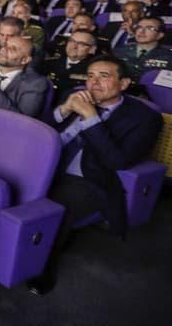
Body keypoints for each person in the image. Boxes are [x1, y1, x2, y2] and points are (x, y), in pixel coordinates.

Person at [26, 56, 162, 296]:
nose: (94, 83)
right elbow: (37, 131)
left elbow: (117, 160)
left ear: (124, 83)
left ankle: (43, 268)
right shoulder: (75, 95)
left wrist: (91, 117)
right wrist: (63, 110)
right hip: (44, 163)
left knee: (54, 207)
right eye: (90, 76)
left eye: (104, 76)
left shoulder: (145, 118)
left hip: (89, 178)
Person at [41, 29, 97, 102]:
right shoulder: (49, 62)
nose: (74, 46)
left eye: (81, 44)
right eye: (71, 41)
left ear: (91, 49)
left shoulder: (93, 70)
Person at [113, 16, 172, 84]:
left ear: (159, 35)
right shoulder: (118, 52)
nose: (142, 31)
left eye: (149, 28)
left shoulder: (168, 57)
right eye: (139, 27)